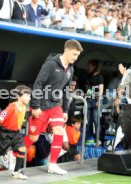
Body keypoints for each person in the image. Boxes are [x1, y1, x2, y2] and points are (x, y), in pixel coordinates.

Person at [23, 39, 83, 175]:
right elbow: (38, 84)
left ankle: (52, 165)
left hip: (56, 106)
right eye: (74, 54)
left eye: (77, 55)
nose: (76, 57)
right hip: (41, 106)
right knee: (33, 138)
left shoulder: (71, 69)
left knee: (59, 132)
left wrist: (66, 110)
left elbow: (67, 91)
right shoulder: (50, 64)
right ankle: (13, 153)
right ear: (66, 50)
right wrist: (35, 106)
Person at [0, 85, 31, 180]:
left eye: (30, 96)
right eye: (27, 95)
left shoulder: (24, 107)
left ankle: (16, 172)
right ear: (18, 96)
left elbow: (21, 118)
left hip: (16, 133)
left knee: (22, 149)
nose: (29, 98)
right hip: (4, 134)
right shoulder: (11, 107)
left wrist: (32, 114)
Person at [85, 59, 104, 144]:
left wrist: (98, 100)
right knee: (89, 120)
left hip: (96, 100)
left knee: (96, 120)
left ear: (94, 66)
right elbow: (88, 88)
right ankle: (90, 137)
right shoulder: (88, 76)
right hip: (89, 99)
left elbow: (101, 89)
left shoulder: (99, 76)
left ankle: (98, 138)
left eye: (89, 66)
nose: (88, 68)